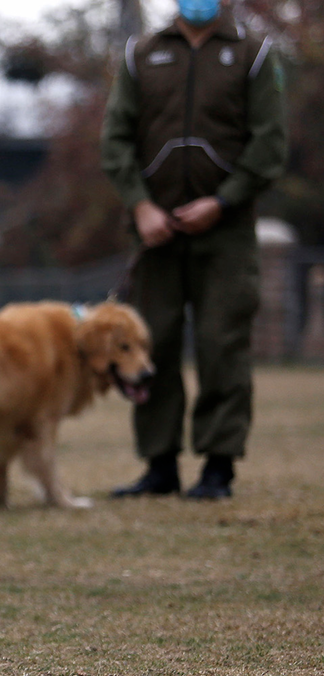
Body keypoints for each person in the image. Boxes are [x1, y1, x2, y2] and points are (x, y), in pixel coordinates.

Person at [101, 0, 287, 500]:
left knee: (221, 343)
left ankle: (218, 468)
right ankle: (158, 467)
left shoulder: (253, 53)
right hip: (155, 230)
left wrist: (223, 202)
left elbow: (270, 145)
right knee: (150, 345)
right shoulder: (141, 53)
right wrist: (141, 208)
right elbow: (115, 140)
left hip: (226, 232)